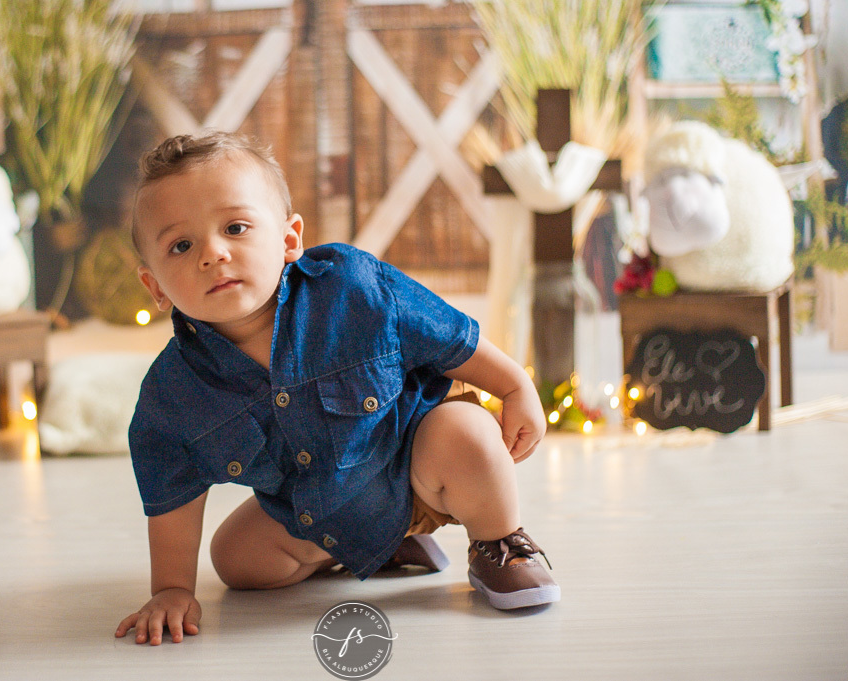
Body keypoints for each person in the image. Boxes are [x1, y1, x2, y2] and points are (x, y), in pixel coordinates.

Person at [115, 131, 558, 646]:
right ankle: (372, 547)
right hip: (319, 513)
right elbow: (172, 492)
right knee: (236, 560)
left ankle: (499, 543)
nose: (212, 254)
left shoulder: (351, 288)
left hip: (420, 468)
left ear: (288, 239)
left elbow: (449, 336)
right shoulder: (172, 396)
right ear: (155, 287)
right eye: (181, 245)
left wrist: (515, 386)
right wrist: (172, 588)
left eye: (235, 228)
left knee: (468, 436)